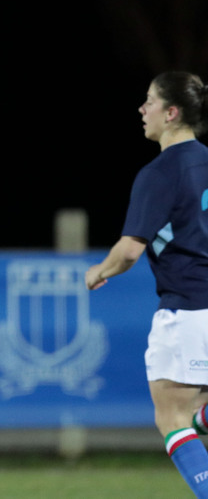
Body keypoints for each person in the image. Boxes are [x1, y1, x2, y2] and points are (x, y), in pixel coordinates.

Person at [86, 71, 208, 497]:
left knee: (172, 419)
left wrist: (97, 272)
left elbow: (129, 251)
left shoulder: (161, 172)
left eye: (150, 101)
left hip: (188, 308)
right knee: (195, 411)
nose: (143, 109)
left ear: (171, 113)